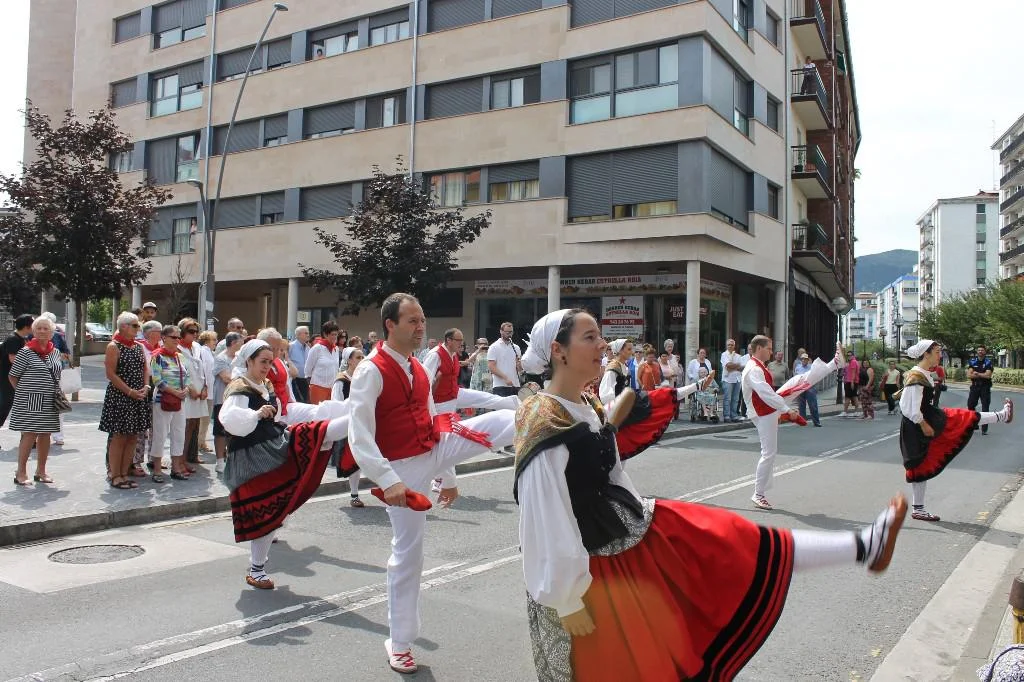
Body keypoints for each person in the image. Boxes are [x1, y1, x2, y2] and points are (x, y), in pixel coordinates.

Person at [513, 308, 908, 682]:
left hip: (626, 538)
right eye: (590, 337)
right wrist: (566, 599)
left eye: (600, 335)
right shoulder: (542, 417)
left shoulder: (587, 403)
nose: (603, 344)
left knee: (734, 542)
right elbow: (543, 517)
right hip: (592, 571)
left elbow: (613, 472)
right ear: (558, 351)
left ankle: (862, 546)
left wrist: (646, 518)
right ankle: (863, 547)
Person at [345, 293, 517, 674]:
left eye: (422, 320)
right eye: (412, 321)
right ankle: (400, 642)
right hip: (400, 468)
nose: (420, 327)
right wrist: (388, 480)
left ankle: (552, 423)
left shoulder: (419, 368)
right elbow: (359, 435)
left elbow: (435, 422)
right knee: (409, 554)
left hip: (431, 449)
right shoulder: (370, 370)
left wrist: (448, 476)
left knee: (497, 420)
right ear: (390, 325)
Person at [219, 339, 351, 589]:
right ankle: (256, 569)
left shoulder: (265, 385)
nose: (267, 367)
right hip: (252, 458)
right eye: (263, 362)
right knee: (268, 509)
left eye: (270, 362)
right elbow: (229, 419)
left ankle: (359, 412)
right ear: (249, 361)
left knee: (316, 436)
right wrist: (256, 414)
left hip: (270, 447)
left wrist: (271, 419)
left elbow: (276, 416)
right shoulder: (239, 388)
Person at [898, 340, 1013, 522]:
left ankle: (1001, 416)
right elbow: (907, 407)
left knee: (964, 418)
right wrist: (923, 424)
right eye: (937, 352)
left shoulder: (923, 374)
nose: (940, 355)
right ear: (926, 354)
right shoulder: (916, 376)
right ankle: (918, 509)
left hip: (927, 418)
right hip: (918, 424)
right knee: (919, 463)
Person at [744, 337, 845, 510]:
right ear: (759, 348)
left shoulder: (757, 365)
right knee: (768, 453)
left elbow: (767, 394)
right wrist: (786, 410)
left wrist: (783, 409)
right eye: (769, 348)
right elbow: (765, 393)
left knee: (799, 381)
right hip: (764, 412)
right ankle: (758, 494)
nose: (771, 352)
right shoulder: (753, 369)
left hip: (768, 407)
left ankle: (834, 364)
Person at [598, 338, 712, 459]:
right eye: (629, 349)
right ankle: (697, 386)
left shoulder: (623, 366)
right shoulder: (613, 369)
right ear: (620, 351)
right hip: (619, 410)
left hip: (626, 405)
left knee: (664, 395)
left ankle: (697, 386)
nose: (632, 352)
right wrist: (620, 407)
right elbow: (605, 395)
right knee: (618, 452)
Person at [99, 313, 152, 490]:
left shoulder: (138, 346)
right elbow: (110, 374)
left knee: (133, 436)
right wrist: (129, 391)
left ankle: (124, 473)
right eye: (135, 325)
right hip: (120, 397)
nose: (138, 329)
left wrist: (146, 386)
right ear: (123, 327)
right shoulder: (113, 347)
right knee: (119, 436)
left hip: (138, 396)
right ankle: (115, 475)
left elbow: (145, 368)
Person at [9, 317, 63, 486]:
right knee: (29, 434)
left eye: (45, 328)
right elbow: (13, 376)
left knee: (46, 434)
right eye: (38, 328)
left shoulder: (55, 352)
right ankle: (21, 472)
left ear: (51, 332)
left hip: (49, 399)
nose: (41, 331)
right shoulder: (25, 352)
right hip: (30, 399)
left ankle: (41, 471)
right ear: (33, 331)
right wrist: (24, 393)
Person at [421, 328, 518, 416]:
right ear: (448, 340)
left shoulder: (453, 353)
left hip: (454, 392)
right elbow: (424, 381)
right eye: (458, 340)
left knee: (486, 397)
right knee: (447, 427)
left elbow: (466, 362)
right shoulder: (435, 355)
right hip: (440, 402)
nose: (461, 344)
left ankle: (518, 406)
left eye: (462, 340)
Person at [149, 325, 190, 482]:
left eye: (179, 337)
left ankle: (176, 467)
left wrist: (186, 389)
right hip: (163, 400)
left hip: (179, 401)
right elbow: (157, 380)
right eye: (174, 337)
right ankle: (157, 470)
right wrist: (175, 392)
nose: (177, 340)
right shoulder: (157, 356)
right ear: (164, 338)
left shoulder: (180, 357)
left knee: (179, 433)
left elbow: (187, 376)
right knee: (160, 434)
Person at [331, 346, 365, 507]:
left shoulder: (363, 377)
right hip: (349, 423)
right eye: (358, 357)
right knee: (353, 459)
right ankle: (354, 494)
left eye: (362, 357)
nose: (361, 360)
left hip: (365, 422)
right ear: (349, 360)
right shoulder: (341, 381)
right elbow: (336, 404)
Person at [177, 319, 208, 469]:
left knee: (195, 424)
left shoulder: (196, 347)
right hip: (187, 391)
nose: (195, 334)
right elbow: (180, 370)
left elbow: (203, 368)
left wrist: (205, 387)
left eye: (196, 331)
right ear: (182, 332)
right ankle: (181, 460)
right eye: (191, 331)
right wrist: (190, 388)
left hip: (199, 389)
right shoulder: (177, 348)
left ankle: (191, 456)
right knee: (186, 426)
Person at [212, 332, 243, 474]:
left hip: (237, 399)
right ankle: (219, 461)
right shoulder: (221, 358)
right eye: (241, 343)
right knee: (220, 431)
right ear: (233, 343)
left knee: (234, 430)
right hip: (222, 399)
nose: (242, 346)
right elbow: (226, 378)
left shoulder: (240, 358)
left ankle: (232, 459)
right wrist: (244, 381)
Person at [0, 314, 33, 431]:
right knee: (4, 405)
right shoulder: (13, 339)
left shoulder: (22, 339)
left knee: (14, 406)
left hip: (15, 378)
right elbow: (13, 359)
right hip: (7, 379)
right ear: (27, 327)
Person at [305, 320, 341, 404]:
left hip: (332, 388)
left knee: (331, 411)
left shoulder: (336, 349)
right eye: (332, 334)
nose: (335, 337)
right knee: (318, 411)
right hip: (318, 388)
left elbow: (336, 368)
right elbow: (307, 370)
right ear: (325, 334)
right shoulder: (317, 348)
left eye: (336, 334)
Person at [197, 330, 218, 455]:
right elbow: (204, 369)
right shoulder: (204, 351)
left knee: (206, 418)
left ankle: (201, 441)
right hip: (206, 390)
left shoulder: (209, 352)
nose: (216, 342)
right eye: (213, 339)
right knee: (204, 418)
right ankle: (200, 442)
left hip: (210, 390)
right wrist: (204, 387)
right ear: (206, 341)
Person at [487, 321, 522, 397]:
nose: (509, 334)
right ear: (501, 331)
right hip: (500, 385)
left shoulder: (516, 348)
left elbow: (519, 369)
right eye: (507, 332)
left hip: (515, 385)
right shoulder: (494, 347)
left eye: (511, 332)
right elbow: (491, 367)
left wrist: (519, 365)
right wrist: (505, 378)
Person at [967, 345, 995, 435]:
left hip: (985, 387)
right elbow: (969, 375)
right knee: (970, 405)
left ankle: (984, 429)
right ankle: (974, 424)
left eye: (982, 350)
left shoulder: (988, 362)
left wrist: (977, 374)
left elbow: (988, 375)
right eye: (979, 350)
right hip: (975, 386)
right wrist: (982, 374)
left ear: (985, 352)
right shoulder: (972, 361)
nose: (980, 351)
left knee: (985, 407)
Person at [794, 352, 822, 427]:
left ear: (807, 360)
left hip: (810, 387)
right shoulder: (798, 367)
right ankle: (803, 421)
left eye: (805, 359)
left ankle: (816, 422)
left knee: (813, 405)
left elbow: (816, 376)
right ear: (801, 360)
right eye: (802, 359)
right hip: (800, 387)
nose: (804, 360)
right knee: (801, 406)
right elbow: (795, 377)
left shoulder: (811, 367)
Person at [720, 339, 743, 423]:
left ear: (734, 346)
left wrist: (731, 367)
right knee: (727, 399)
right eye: (729, 345)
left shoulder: (738, 356)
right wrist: (736, 366)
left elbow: (741, 368)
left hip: (737, 379)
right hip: (727, 379)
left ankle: (734, 416)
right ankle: (726, 416)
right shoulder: (724, 355)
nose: (730, 346)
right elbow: (728, 365)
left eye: (732, 345)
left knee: (735, 399)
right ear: (726, 346)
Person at [288, 326, 311, 403]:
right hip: (294, 380)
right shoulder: (291, 346)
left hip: (305, 381)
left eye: (308, 333)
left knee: (305, 402)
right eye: (306, 333)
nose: (308, 335)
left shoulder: (308, 348)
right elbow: (286, 360)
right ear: (298, 335)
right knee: (297, 401)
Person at [843, 351, 860, 416]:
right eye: (848, 355)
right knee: (853, 396)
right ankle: (855, 411)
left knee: (850, 397)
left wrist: (852, 382)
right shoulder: (852, 362)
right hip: (850, 381)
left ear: (853, 356)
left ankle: (846, 412)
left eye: (850, 355)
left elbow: (853, 372)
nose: (849, 356)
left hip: (851, 382)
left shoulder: (853, 362)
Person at [859, 356, 876, 420]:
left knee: (868, 401)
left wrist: (867, 386)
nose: (865, 364)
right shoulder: (862, 369)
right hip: (861, 386)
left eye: (866, 362)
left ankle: (870, 415)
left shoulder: (869, 369)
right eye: (864, 363)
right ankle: (865, 414)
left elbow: (871, 379)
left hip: (867, 387)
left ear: (869, 363)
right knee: (863, 402)